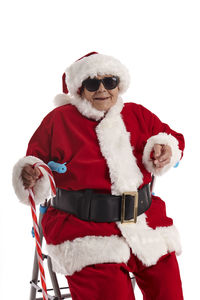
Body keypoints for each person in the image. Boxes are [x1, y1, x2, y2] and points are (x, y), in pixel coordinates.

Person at [13, 52, 185, 300]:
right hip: (84, 230)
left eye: (110, 82)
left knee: (169, 292)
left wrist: (166, 149)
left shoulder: (137, 114)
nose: (103, 90)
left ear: (119, 84)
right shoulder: (58, 121)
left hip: (145, 222)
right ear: (80, 89)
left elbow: (173, 140)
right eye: (93, 83)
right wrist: (30, 173)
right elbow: (33, 162)